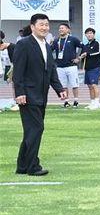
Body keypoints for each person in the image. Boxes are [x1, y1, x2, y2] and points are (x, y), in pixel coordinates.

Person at [13, 13, 67, 176]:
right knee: (36, 129)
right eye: (41, 25)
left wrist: (59, 89)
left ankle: (22, 166)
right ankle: (33, 166)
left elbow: (51, 70)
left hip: (41, 95)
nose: (44, 28)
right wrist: (20, 92)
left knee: (31, 130)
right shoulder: (24, 44)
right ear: (32, 27)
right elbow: (18, 71)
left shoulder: (47, 46)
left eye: (46, 25)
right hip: (28, 95)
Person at [51, 22, 83, 108]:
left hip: (71, 66)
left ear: (68, 30)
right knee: (63, 85)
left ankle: (76, 101)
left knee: (74, 85)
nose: (60, 29)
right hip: (60, 66)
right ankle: (66, 101)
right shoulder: (56, 40)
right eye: (59, 28)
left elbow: (83, 47)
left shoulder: (73, 39)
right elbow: (49, 50)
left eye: (62, 28)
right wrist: (50, 43)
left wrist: (79, 58)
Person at [79, 28, 100, 110]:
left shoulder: (97, 43)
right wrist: (79, 58)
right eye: (87, 33)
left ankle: (97, 103)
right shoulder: (85, 46)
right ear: (85, 35)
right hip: (87, 68)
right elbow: (82, 55)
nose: (89, 35)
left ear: (93, 34)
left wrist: (87, 54)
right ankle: (92, 102)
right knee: (89, 86)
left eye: (90, 33)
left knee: (94, 85)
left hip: (95, 67)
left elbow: (99, 52)